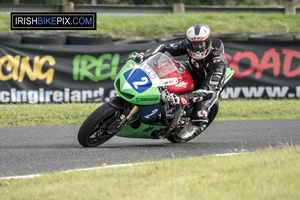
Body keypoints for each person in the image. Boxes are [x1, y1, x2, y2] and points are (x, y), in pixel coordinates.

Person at [131, 24, 228, 139]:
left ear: (208, 42)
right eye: (194, 44)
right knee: (164, 67)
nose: (197, 48)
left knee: (199, 115)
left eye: (201, 44)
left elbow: (209, 90)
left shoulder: (218, 62)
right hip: (192, 70)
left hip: (209, 87)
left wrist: (184, 98)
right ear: (188, 42)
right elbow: (164, 48)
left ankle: (192, 126)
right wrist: (144, 55)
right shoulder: (186, 45)